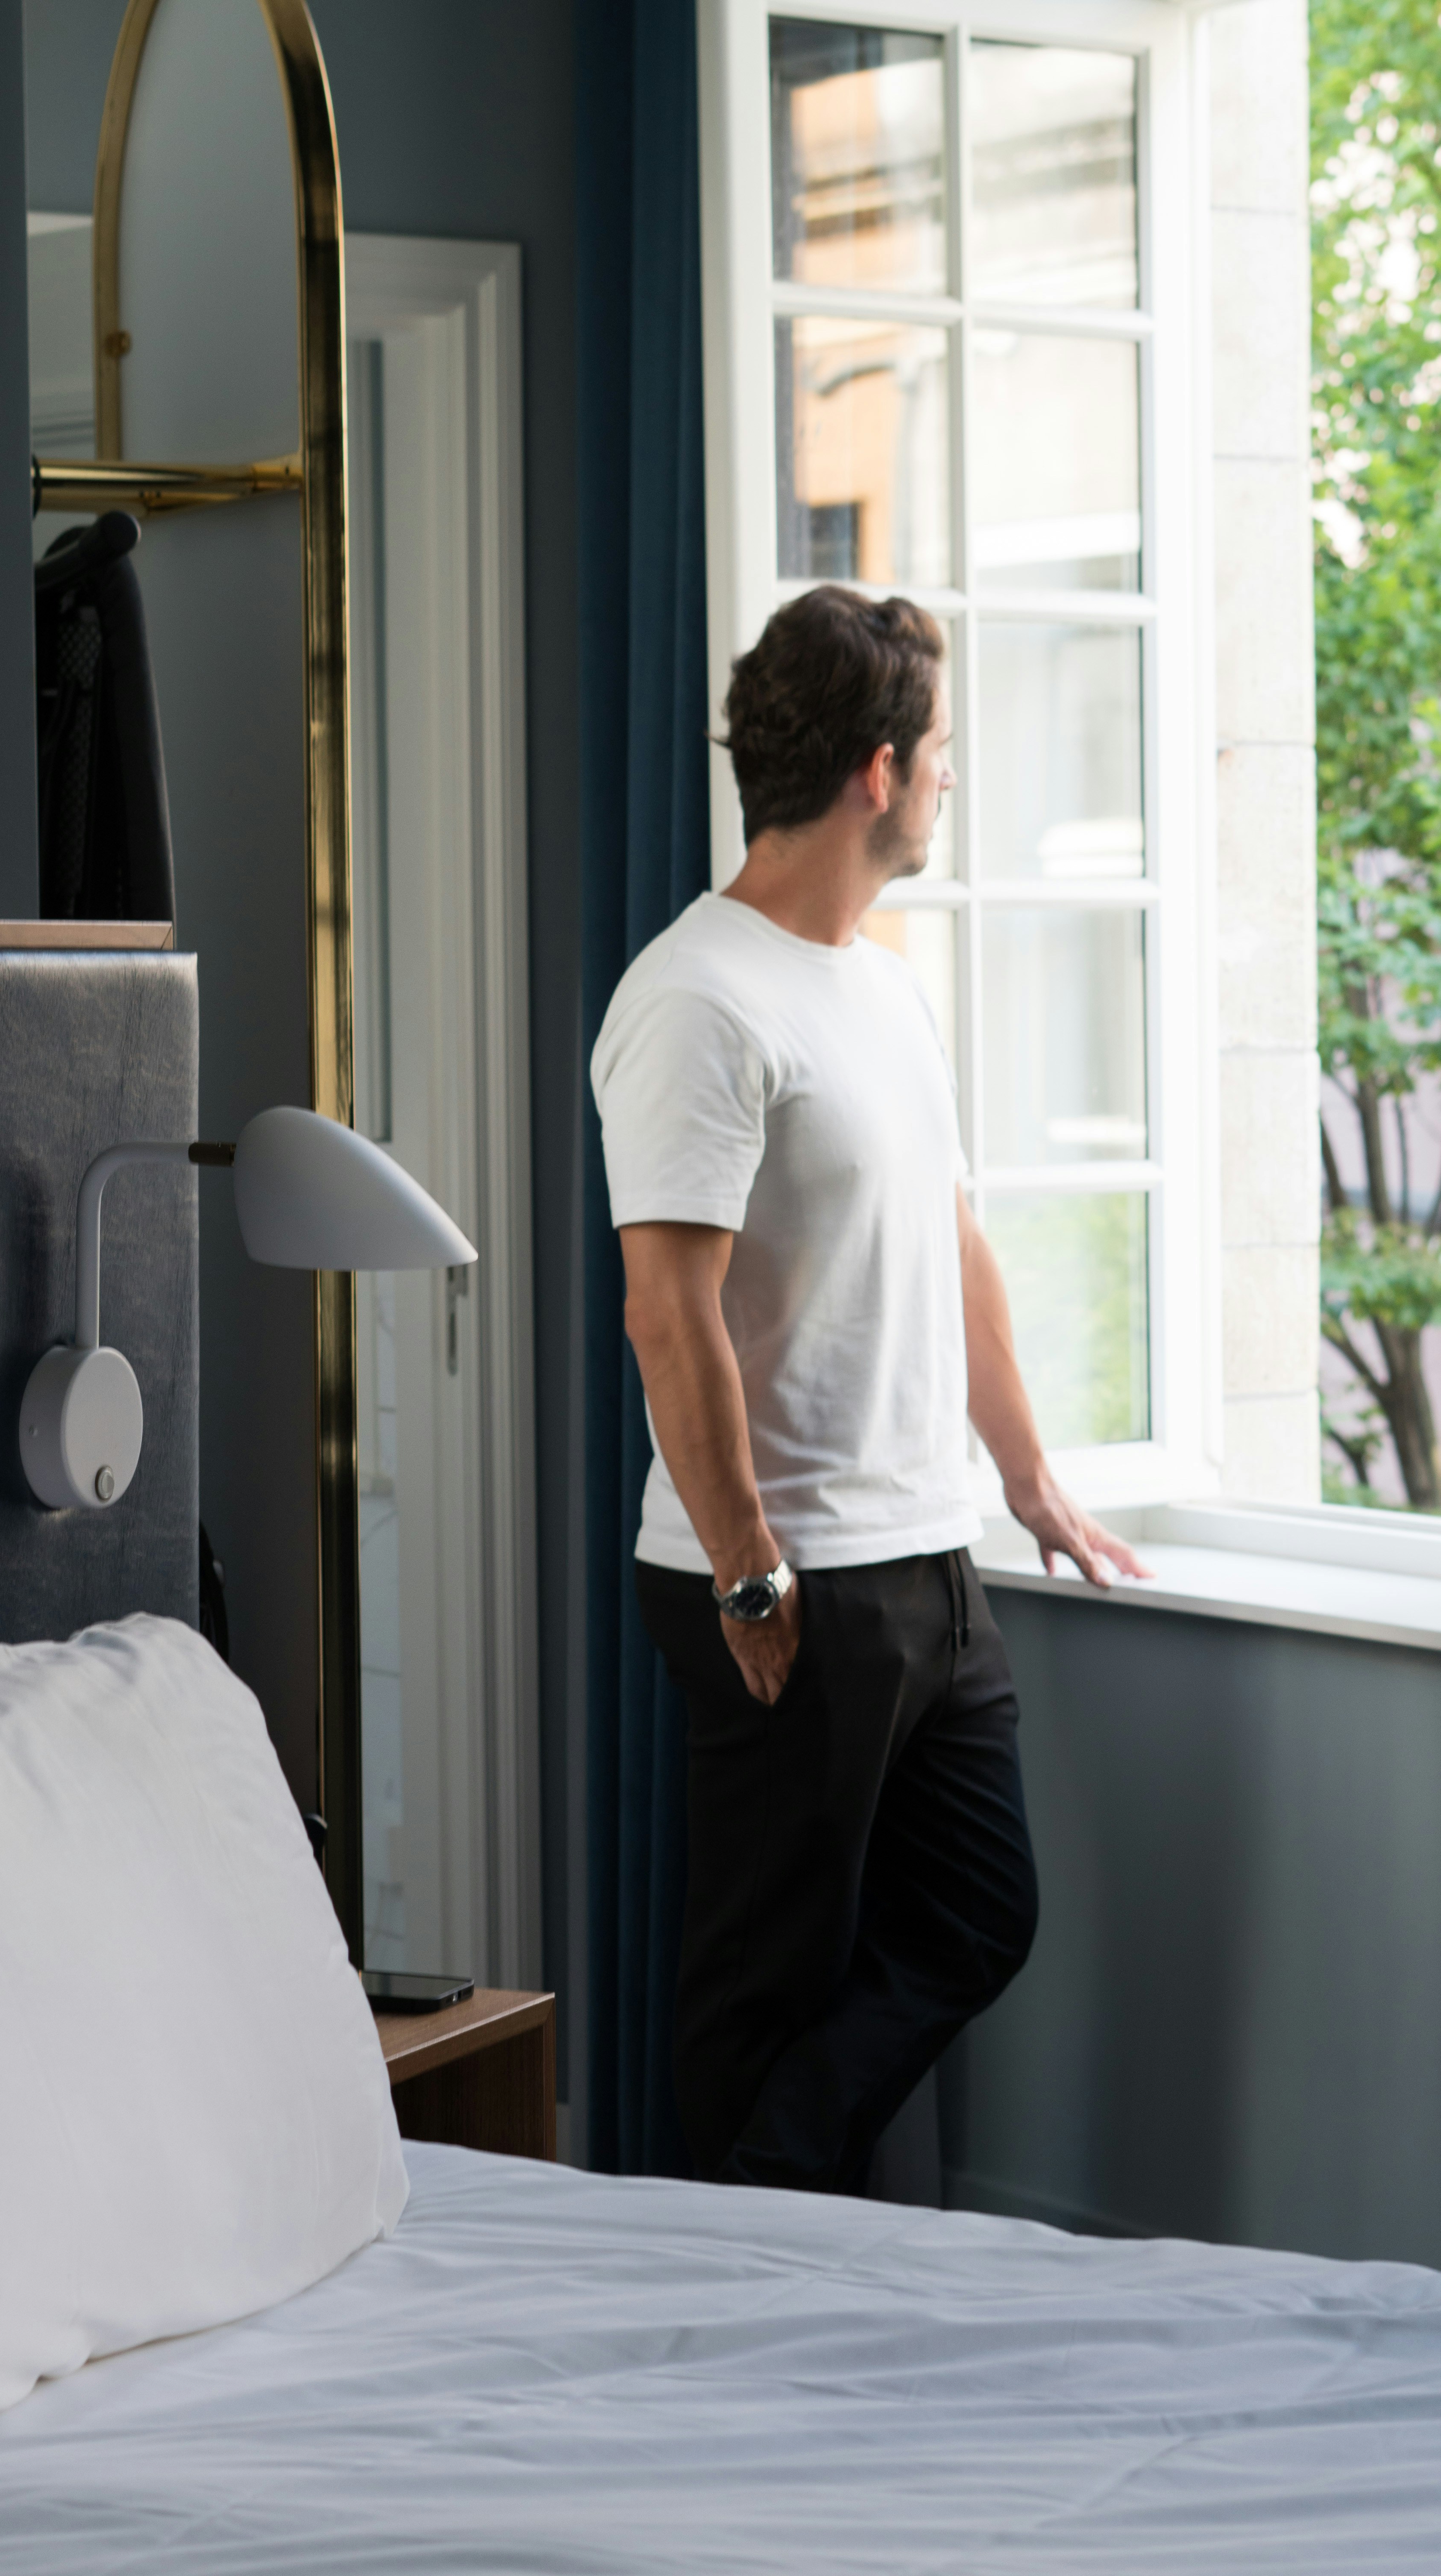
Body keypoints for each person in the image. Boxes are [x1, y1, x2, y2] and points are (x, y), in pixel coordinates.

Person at [590, 586, 1147, 2195]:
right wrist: (749, 1569)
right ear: (878, 772)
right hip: (788, 1580)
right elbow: (667, 1313)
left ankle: (785, 2196)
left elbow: (952, 1245)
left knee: (981, 1913)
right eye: (942, 750)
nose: (953, 777)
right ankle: (740, 2267)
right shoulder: (697, 999)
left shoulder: (887, 988)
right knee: (760, 1980)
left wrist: (1027, 1478)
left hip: (926, 1555)